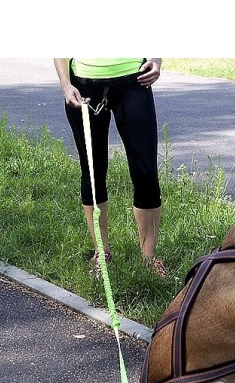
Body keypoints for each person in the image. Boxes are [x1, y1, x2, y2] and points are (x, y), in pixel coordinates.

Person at [54, 58, 166, 278]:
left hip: (134, 80)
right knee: (92, 173)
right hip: (84, 85)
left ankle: (149, 257)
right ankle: (101, 253)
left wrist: (156, 59)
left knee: (146, 173)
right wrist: (66, 84)